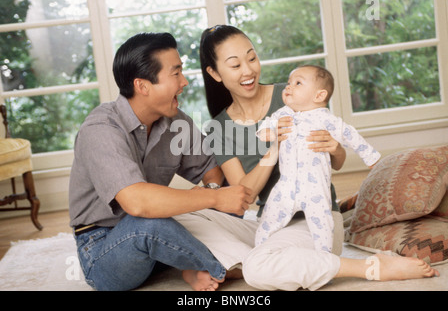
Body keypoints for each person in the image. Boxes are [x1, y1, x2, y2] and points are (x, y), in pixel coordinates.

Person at [173, 24, 439, 291]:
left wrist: (335, 148)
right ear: (214, 73)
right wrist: (273, 149)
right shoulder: (219, 128)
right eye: (235, 65)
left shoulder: (292, 94)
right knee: (182, 217)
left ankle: (368, 267)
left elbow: (337, 160)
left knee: (257, 269)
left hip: (315, 220)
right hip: (269, 221)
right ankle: (267, 261)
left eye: (252, 58)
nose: (248, 70)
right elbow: (245, 196)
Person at [68, 32, 253, 291]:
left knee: (192, 215)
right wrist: (215, 199)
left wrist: (213, 196)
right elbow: (138, 203)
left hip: (164, 231)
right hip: (102, 246)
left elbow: (211, 167)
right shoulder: (100, 129)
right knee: (149, 223)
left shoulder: (176, 121)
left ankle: (192, 264)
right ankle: (233, 266)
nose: (185, 82)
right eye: (175, 73)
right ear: (143, 86)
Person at [254, 65, 381, 251]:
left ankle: (325, 258)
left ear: (319, 96)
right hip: (286, 185)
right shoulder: (283, 114)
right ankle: (259, 251)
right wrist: (267, 132)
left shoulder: (327, 120)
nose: (288, 87)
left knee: (322, 227)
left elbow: (352, 136)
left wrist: (372, 159)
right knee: (268, 221)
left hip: (315, 188)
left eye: (297, 83)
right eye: (288, 83)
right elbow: (266, 127)